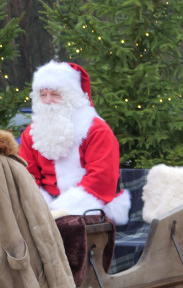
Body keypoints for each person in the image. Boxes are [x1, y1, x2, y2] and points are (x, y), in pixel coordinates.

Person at [19, 61, 129, 224]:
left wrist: (61, 210)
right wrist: (42, 208)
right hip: (44, 206)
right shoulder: (31, 133)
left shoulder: (95, 130)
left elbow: (101, 180)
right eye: (43, 95)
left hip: (92, 206)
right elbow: (25, 177)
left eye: (55, 94)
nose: (47, 101)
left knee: (67, 230)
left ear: (71, 96)